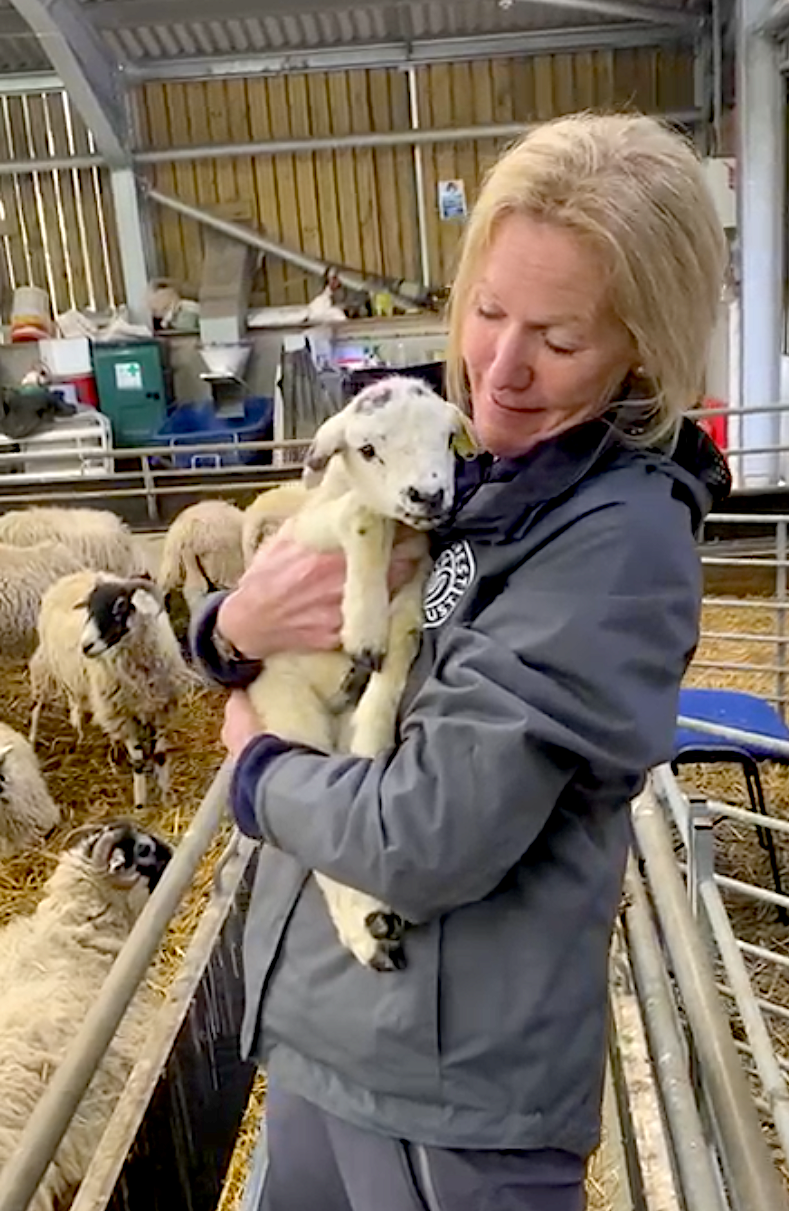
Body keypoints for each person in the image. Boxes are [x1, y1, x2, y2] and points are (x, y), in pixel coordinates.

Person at [192, 112, 730, 1211]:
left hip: (450, 1098)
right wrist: (226, 634)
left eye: (559, 339)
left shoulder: (610, 544)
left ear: (644, 343)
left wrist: (256, 773)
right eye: (486, 310)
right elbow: (320, 616)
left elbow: (429, 827)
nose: (500, 365)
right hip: (327, 1032)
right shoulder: (485, 480)